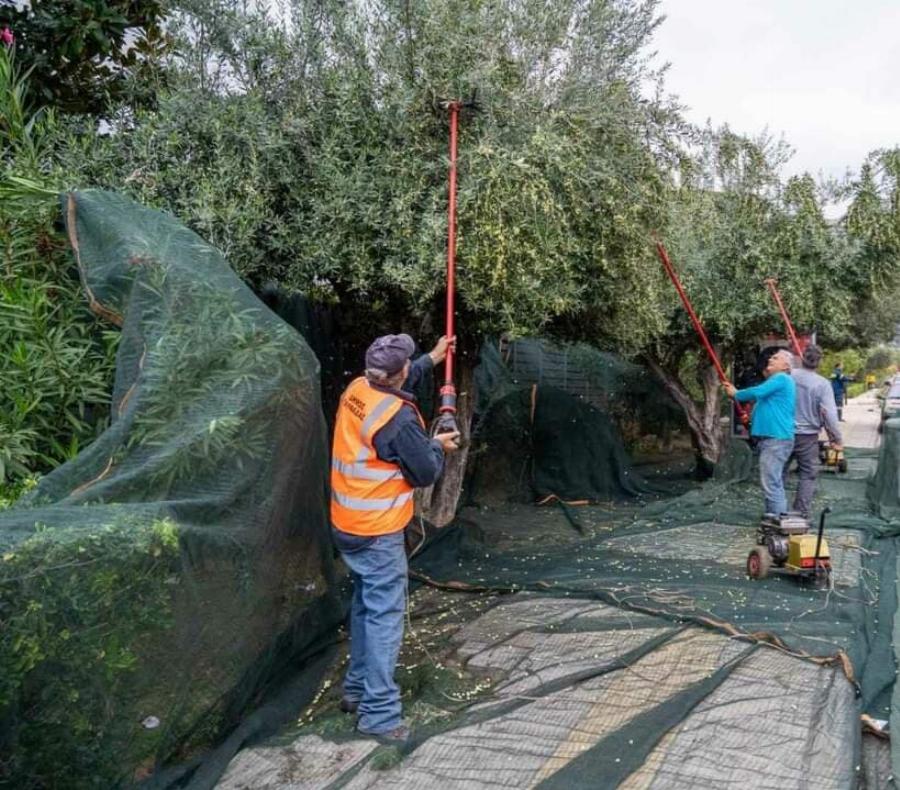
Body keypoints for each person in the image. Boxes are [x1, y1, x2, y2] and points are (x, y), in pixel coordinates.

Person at [330, 333, 459, 743]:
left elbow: (399, 380)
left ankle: (355, 690)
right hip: (378, 532)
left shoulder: (358, 388)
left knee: (365, 606)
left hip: (347, 525)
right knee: (385, 618)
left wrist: (432, 358)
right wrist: (437, 445)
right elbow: (425, 472)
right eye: (409, 364)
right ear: (398, 371)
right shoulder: (398, 420)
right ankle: (380, 715)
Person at [723, 350, 796, 516]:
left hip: (776, 439)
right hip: (775, 439)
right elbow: (765, 403)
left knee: (771, 482)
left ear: (785, 366)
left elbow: (757, 392)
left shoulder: (781, 378)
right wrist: (751, 418)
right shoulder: (778, 382)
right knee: (773, 481)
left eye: (776, 358)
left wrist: (736, 394)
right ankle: (775, 517)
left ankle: (777, 519)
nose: (771, 359)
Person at [785, 345, 842, 517]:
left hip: (783, 432)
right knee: (807, 474)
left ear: (802, 358)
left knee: (778, 472)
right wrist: (836, 438)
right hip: (807, 437)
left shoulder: (788, 376)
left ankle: (775, 511)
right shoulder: (822, 384)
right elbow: (829, 414)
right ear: (819, 362)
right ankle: (800, 513)